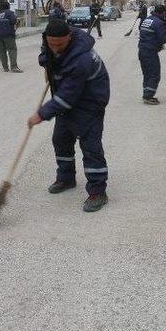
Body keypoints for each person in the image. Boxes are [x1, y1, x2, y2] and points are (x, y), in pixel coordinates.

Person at [27, 20, 110, 212]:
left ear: (70, 38)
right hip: (68, 100)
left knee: (90, 147)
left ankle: (98, 191)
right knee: (61, 140)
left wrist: (42, 114)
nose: (55, 48)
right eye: (51, 44)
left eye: (60, 45)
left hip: (90, 103)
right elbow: (46, 54)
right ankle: (66, 178)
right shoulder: (51, 42)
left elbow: (67, 97)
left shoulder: (82, 60)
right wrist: (47, 60)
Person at [138, 5, 166, 105]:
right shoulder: (159, 23)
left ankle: (146, 93)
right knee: (154, 74)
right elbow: (163, 38)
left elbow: (144, 32)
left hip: (141, 50)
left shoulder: (147, 20)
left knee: (147, 74)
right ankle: (148, 97)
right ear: (163, 13)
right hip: (150, 52)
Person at [0, 1, 22, 73]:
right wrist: (17, 22)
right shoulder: (9, 13)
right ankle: (14, 67)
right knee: (12, 49)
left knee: (2, 51)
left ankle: (5, 68)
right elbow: (14, 21)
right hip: (8, 34)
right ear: (8, 6)